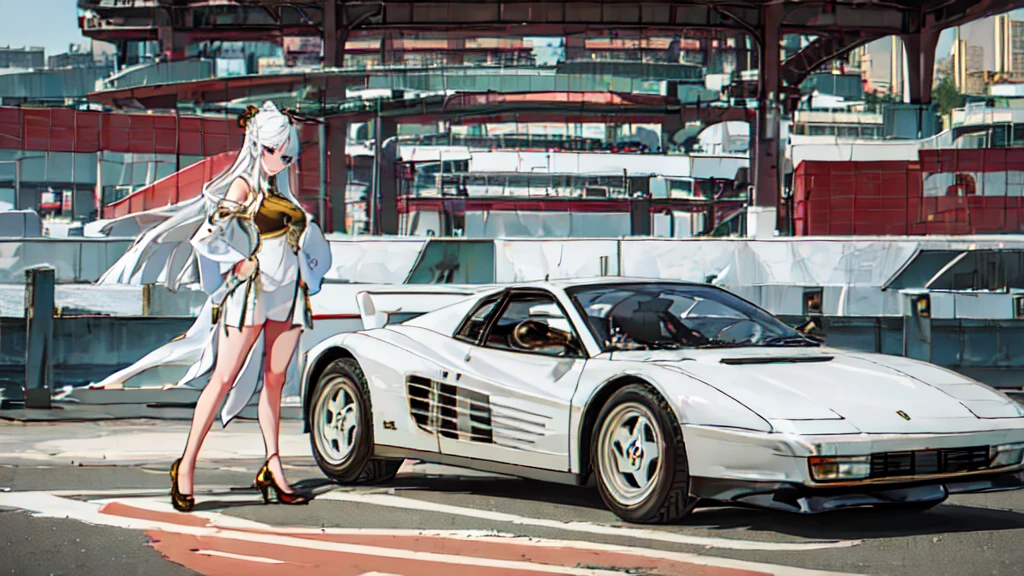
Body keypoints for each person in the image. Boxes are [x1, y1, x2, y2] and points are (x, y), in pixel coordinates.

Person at [99, 101, 332, 512]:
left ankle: (273, 466)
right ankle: (186, 465)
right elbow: (207, 237)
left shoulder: (283, 194)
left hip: (288, 296)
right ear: (260, 146)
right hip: (252, 295)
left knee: (274, 382)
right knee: (222, 378)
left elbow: (305, 242)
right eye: (279, 152)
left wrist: (307, 269)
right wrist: (239, 262)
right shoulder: (242, 186)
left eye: (289, 154)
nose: (284, 160)